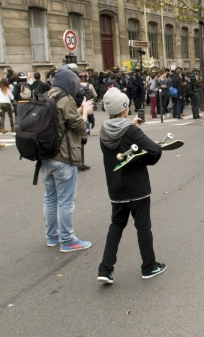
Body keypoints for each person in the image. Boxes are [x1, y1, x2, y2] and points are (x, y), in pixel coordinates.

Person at [97, 87, 166, 283]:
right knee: (143, 226)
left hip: (115, 187)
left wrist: (132, 127)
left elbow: (118, 140)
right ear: (125, 108)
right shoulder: (131, 131)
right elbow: (155, 150)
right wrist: (143, 159)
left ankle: (105, 269)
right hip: (137, 187)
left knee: (116, 225)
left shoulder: (103, 131)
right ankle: (149, 266)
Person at [42, 69, 94, 251]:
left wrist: (78, 110)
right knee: (65, 200)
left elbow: (62, 120)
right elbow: (80, 126)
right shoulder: (66, 99)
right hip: (63, 156)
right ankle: (67, 240)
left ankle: (52, 236)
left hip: (44, 156)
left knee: (50, 198)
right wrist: (85, 112)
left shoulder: (46, 96)